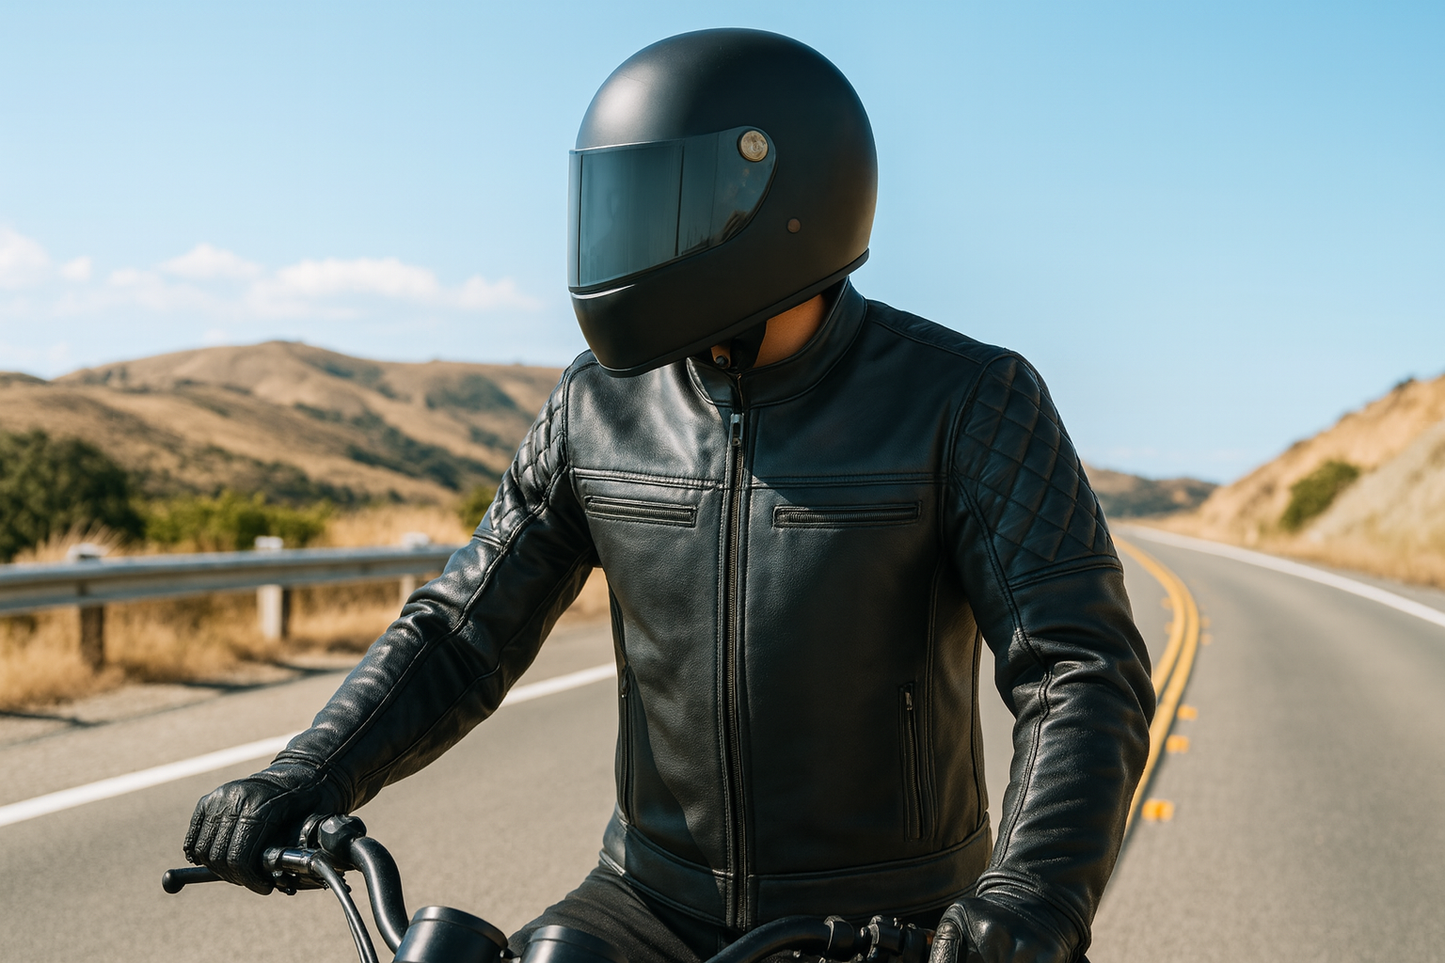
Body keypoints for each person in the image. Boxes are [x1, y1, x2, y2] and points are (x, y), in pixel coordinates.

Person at [183, 29, 1154, 963]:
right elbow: (460, 632)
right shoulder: (595, 406)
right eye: (618, 203)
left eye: (663, 204)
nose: (628, 240)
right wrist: (305, 773)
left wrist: (1032, 893)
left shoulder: (966, 401)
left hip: (883, 924)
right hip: (645, 902)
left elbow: (1077, 670)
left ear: (783, 201)